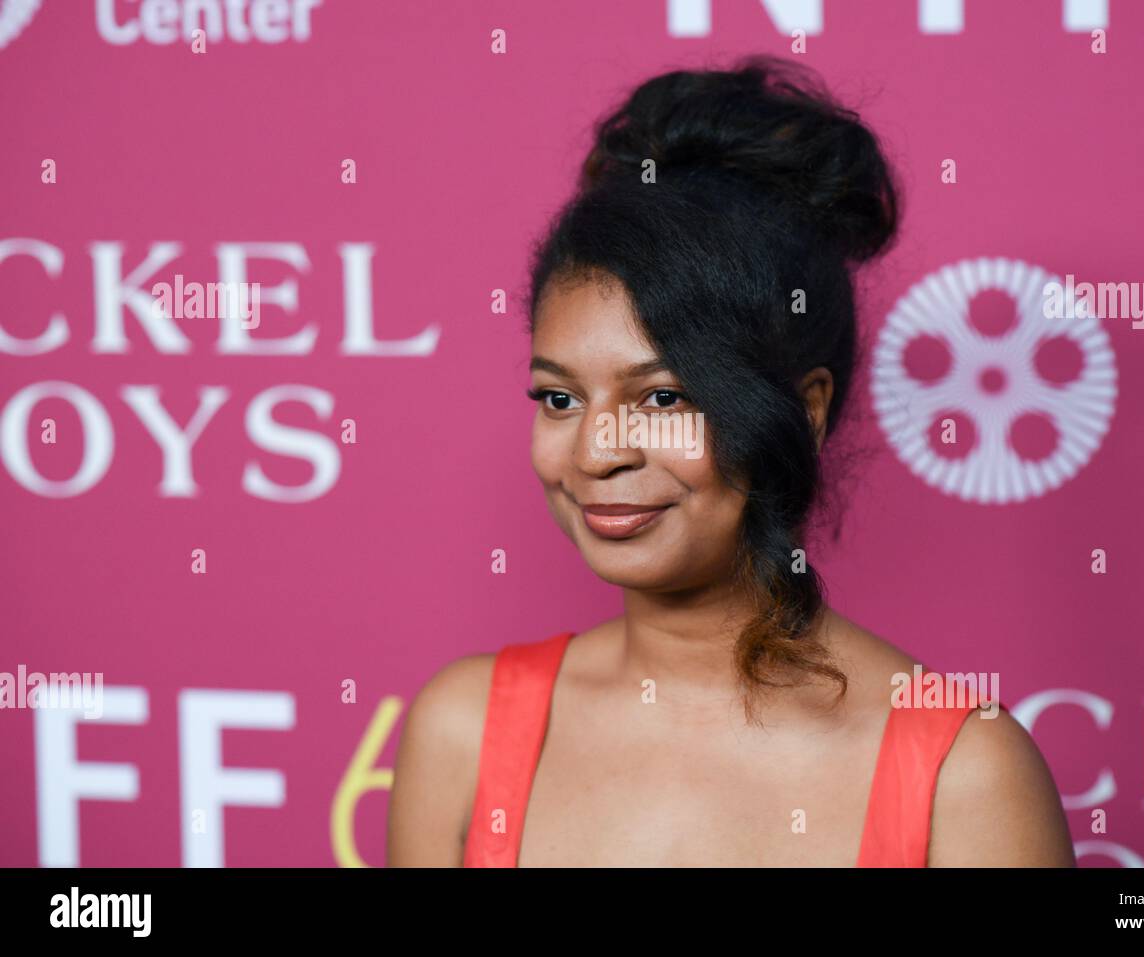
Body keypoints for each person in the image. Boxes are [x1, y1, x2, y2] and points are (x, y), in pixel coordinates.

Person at [388, 55, 1075, 867]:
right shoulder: (463, 729)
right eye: (559, 399)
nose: (597, 453)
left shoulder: (964, 773)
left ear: (805, 409)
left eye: (665, 398)